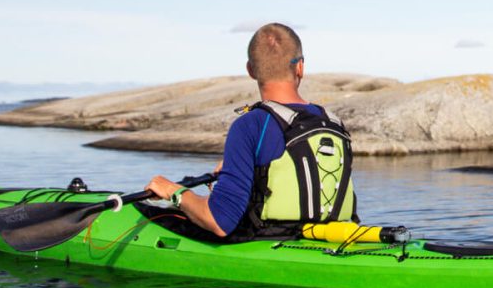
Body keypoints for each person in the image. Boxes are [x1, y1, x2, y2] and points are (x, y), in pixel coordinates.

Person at [145, 23, 356, 239]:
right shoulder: (334, 123)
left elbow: (220, 221)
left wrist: (173, 191)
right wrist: (244, 173)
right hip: (334, 239)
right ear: (300, 67)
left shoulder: (251, 125)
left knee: (157, 216)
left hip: (271, 243)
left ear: (251, 70)